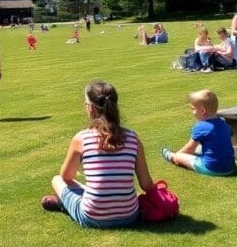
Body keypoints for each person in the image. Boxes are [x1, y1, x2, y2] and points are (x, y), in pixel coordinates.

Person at [41, 80, 155, 228]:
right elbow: (146, 184)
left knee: (56, 180)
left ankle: (65, 204)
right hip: (129, 215)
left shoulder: (81, 138)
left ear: (90, 108)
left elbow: (66, 177)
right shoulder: (133, 138)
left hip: (92, 216)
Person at [161, 90, 236, 176]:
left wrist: (178, 155)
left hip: (212, 169)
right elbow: (228, 135)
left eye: (193, 109)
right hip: (230, 168)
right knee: (201, 147)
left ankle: (171, 156)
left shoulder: (201, 126)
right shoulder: (224, 123)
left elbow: (189, 149)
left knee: (180, 156)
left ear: (202, 110)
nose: (193, 112)